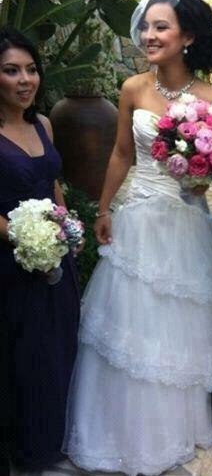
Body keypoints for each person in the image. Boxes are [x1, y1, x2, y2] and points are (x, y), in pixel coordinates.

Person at [63, 0, 212, 475]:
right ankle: (118, 426)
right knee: (130, 322)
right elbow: (122, 153)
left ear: (187, 37)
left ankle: (170, 425)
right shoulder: (132, 88)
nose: (148, 35)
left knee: (177, 324)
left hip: (185, 223)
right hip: (139, 219)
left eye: (161, 27)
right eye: (146, 26)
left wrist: (203, 173)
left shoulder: (211, 100)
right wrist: (104, 208)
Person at [0, 26, 80, 471]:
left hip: (53, 259)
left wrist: (66, 231)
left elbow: (52, 183)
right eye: (11, 71)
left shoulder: (43, 124)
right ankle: (20, 449)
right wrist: (25, 238)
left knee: (55, 349)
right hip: (10, 264)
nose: (25, 80)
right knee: (20, 356)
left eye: (31, 69)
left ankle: (49, 441)